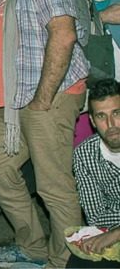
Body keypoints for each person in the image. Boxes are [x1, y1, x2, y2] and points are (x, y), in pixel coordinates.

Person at [0, 0, 89, 268]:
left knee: (53, 187)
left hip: (48, 97)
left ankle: (65, 261)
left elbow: (64, 34)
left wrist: (43, 98)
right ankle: (33, 247)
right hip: (12, 105)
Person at [67, 78, 120, 268]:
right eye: (101, 116)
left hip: (114, 233)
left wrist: (116, 232)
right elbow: (96, 217)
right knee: (77, 264)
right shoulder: (84, 154)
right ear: (92, 121)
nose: (111, 124)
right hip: (110, 233)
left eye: (117, 113)